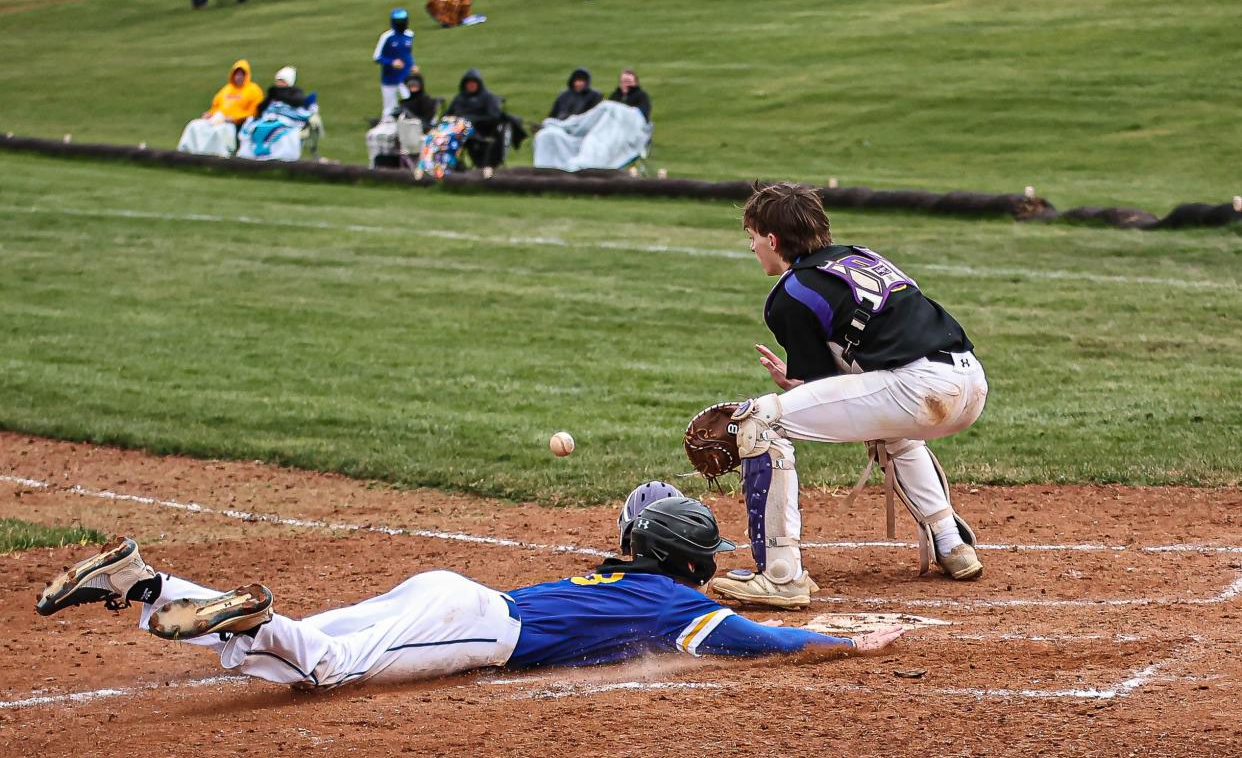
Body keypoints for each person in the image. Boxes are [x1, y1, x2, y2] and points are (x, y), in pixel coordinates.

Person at [35, 495, 903, 690]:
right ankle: (253, 618)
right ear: (689, 564)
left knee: (298, 646)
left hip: (456, 593)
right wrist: (840, 643)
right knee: (327, 668)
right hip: (473, 625)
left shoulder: (618, 574)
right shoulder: (681, 607)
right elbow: (756, 642)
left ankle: (149, 585)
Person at [704, 182, 989, 609]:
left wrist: (791, 387)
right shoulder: (861, 256)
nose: (752, 248)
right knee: (889, 427)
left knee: (757, 422)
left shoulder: (790, 293)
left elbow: (821, 385)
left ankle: (781, 575)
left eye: (753, 237)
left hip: (917, 387)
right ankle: (951, 544)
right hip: (969, 380)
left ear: (774, 239)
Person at [176, 59, 264, 157]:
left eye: (241, 74)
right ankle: (187, 150)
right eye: (236, 74)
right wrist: (210, 113)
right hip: (218, 119)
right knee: (195, 125)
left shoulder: (254, 90)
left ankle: (218, 155)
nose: (238, 77)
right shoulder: (226, 89)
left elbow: (253, 112)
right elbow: (216, 106)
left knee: (219, 131)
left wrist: (235, 118)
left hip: (235, 123)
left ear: (246, 75)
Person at [373, 8, 417, 117]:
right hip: (389, 78)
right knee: (389, 107)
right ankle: (386, 126)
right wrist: (391, 62)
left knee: (410, 101)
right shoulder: (387, 37)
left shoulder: (410, 35)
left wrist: (412, 65)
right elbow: (377, 57)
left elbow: (407, 53)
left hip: (405, 77)